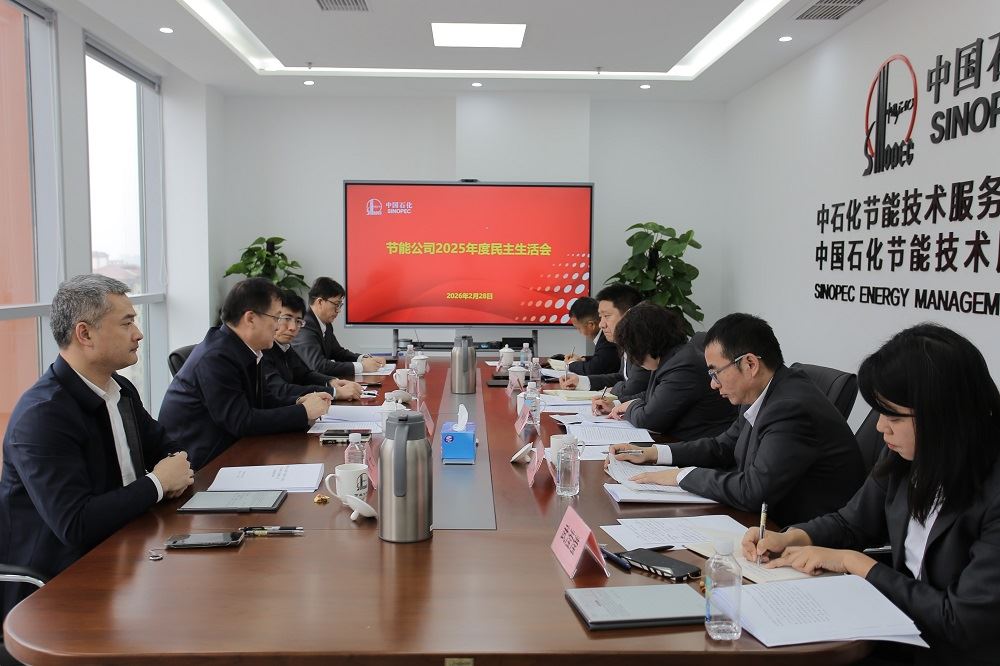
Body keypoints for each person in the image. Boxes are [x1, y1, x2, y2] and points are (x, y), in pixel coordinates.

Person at [742, 324, 1000, 665]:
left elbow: (960, 621)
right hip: (898, 628)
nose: (880, 427)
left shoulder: (991, 491)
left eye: (893, 416)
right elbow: (852, 523)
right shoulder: (906, 456)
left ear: (944, 414)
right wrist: (791, 537)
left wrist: (856, 563)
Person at [0, 275, 194, 623]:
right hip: (55, 587)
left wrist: (169, 473)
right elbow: (75, 525)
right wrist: (158, 483)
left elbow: (169, 451)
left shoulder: (120, 390)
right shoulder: (43, 416)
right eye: (127, 323)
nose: (139, 334)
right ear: (85, 334)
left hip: (124, 552)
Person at [608, 313, 864, 526]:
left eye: (715, 373)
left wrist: (679, 476)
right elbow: (723, 446)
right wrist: (654, 453)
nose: (712, 384)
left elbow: (753, 491)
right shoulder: (761, 392)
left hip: (801, 536)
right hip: (765, 522)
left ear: (750, 364)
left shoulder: (790, 408)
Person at [159, 278, 330, 469]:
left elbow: (264, 400)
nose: (277, 326)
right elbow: (241, 421)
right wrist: (303, 412)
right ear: (250, 318)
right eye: (276, 318)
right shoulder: (216, 357)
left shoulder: (244, 349)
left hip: (233, 450)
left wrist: (299, 402)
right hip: (200, 466)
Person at [607, 303, 735, 439]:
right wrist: (617, 404)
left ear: (642, 344)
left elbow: (649, 420)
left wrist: (630, 407)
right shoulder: (672, 356)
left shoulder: (683, 366)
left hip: (696, 444)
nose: (633, 359)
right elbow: (656, 395)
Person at [559, 284, 650, 412]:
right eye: (600, 317)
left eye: (606, 316)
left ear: (630, 315)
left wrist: (613, 389)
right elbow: (621, 377)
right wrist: (581, 381)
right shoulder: (626, 344)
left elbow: (632, 388)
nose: (601, 324)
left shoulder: (644, 345)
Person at [263, 290, 363, 405]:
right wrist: (334, 392)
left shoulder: (285, 347)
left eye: (298, 321)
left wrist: (331, 381)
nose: (293, 327)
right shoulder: (263, 349)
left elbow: (304, 374)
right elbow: (280, 390)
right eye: (287, 318)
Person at [292, 277, 384, 378]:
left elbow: (338, 353)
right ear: (320, 302)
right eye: (336, 304)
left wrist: (364, 359)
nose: (338, 310)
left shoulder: (325, 324)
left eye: (340, 305)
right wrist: (362, 367)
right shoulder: (304, 325)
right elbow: (318, 366)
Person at [563, 296, 619, 375]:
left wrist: (571, 363)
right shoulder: (603, 339)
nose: (579, 332)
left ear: (591, 325)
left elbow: (591, 370)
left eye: (578, 328)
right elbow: (601, 359)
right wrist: (583, 360)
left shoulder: (607, 340)